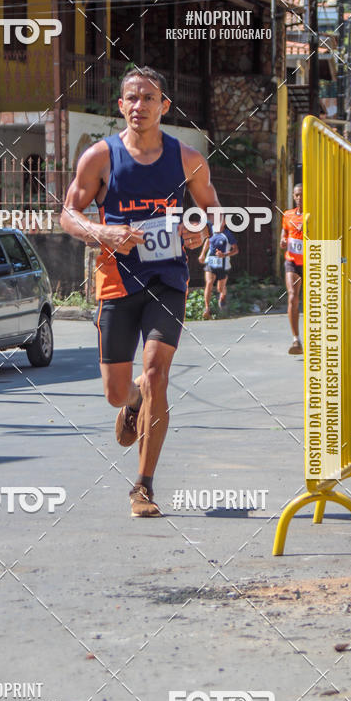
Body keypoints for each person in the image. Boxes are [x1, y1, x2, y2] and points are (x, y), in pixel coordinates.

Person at [60, 67, 221, 518]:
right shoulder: (100, 157)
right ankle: (130, 400)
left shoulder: (188, 159)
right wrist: (103, 232)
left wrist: (201, 230)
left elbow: (212, 210)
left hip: (166, 279)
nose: (139, 106)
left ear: (164, 106)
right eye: (131, 98)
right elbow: (68, 214)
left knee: (156, 375)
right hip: (116, 281)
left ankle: (143, 486)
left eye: (148, 98)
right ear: (121, 105)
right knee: (117, 390)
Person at [198, 213, 238, 318]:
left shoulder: (228, 234)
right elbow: (207, 240)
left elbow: (236, 250)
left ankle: (223, 295)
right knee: (209, 282)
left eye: (221, 221)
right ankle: (207, 309)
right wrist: (202, 254)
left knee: (220, 288)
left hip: (223, 265)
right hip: (210, 261)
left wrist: (224, 255)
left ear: (224, 223)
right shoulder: (211, 230)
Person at [280, 183, 304, 355]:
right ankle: (296, 339)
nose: (298, 198)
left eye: (301, 194)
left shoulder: (313, 214)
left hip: (310, 261)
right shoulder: (287, 215)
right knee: (292, 297)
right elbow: (284, 234)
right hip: (292, 260)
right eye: (296, 195)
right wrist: (282, 240)